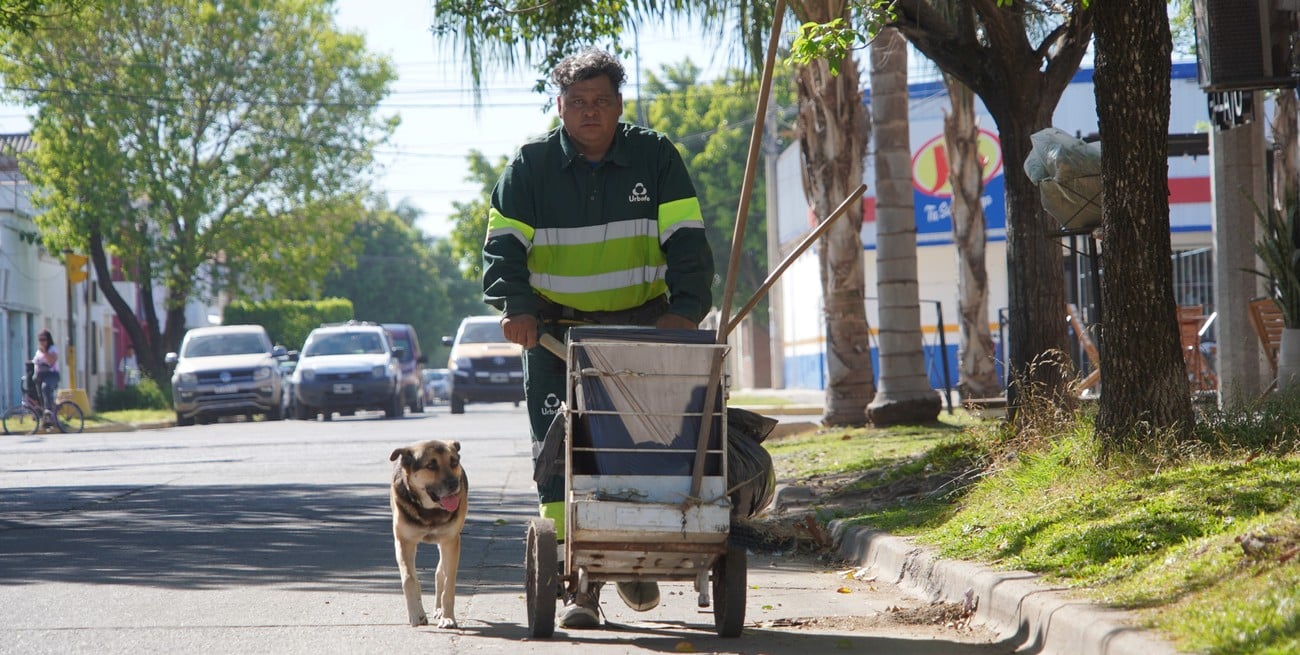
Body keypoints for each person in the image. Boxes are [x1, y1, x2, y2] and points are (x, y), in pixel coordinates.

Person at [482, 48, 714, 628]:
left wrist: (684, 312)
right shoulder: (529, 167)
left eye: (601, 101)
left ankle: (634, 561)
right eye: (578, 102)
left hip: (641, 332)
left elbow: (687, 242)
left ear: (619, 105)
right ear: (559, 106)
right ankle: (577, 587)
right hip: (556, 337)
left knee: (646, 448)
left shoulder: (656, 158)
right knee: (562, 453)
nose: (590, 112)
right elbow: (503, 248)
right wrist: (517, 307)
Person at [32, 329, 60, 422]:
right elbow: (35, 361)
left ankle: (49, 410)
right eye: (40, 340)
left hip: (52, 374)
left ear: (48, 340)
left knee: (46, 387)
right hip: (40, 375)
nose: (42, 342)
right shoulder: (38, 351)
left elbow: (52, 361)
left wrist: (45, 352)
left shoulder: (52, 349)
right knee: (39, 395)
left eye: (44, 339)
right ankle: (44, 417)